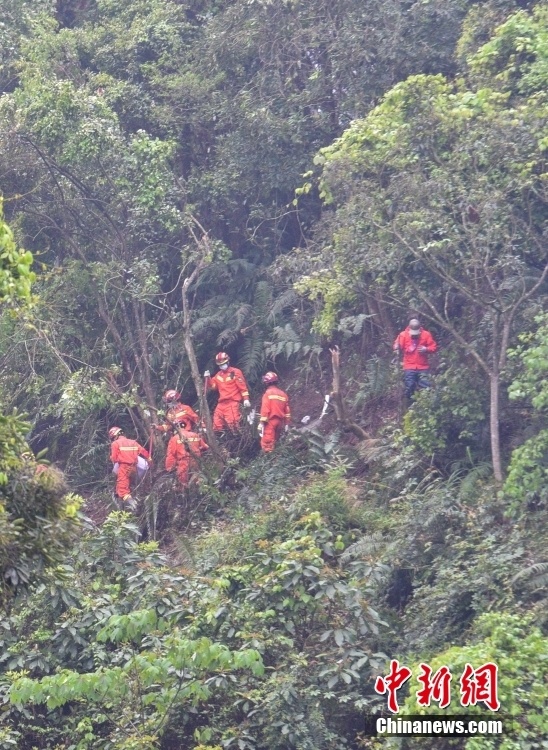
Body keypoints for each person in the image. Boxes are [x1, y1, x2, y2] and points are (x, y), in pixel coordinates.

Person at [204, 352, 251, 432]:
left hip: (232, 403)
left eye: (223, 363)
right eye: (220, 365)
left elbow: (243, 388)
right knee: (216, 425)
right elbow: (213, 387)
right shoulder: (218, 375)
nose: (222, 366)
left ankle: (236, 440)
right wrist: (208, 378)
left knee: (233, 424)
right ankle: (219, 441)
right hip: (221, 404)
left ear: (228, 362)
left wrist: (246, 399)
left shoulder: (235, 372)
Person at [393, 318, 437, 401]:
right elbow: (397, 345)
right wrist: (397, 348)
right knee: (409, 387)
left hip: (423, 366)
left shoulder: (426, 334)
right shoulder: (403, 335)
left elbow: (433, 347)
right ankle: (410, 406)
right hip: (409, 366)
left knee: (426, 387)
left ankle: (426, 406)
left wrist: (426, 349)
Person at [109, 426, 150, 508]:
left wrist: (112, 458)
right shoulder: (133, 442)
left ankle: (136, 507)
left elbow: (114, 458)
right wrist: (150, 459)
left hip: (124, 468)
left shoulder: (115, 444)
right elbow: (144, 452)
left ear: (115, 436)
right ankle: (124, 507)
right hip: (134, 468)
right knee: (126, 487)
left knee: (123, 491)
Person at [165, 421, 209, 486]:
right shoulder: (195, 435)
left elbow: (171, 455)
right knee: (198, 480)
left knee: (184, 484)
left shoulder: (174, 439)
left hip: (183, 464)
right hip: (196, 461)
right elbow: (205, 447)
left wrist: (169, 468)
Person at [258, 372, 291, 452]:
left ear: (266, 383)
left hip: (270, 422)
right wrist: (287, 424)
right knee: (275, 441)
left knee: (267, 444)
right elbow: (287, 411)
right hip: (280, 423)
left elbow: (265, 409)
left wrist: (261, 423)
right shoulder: (283, 394)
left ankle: (269, 460)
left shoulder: (268, 393)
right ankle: (275, 458)